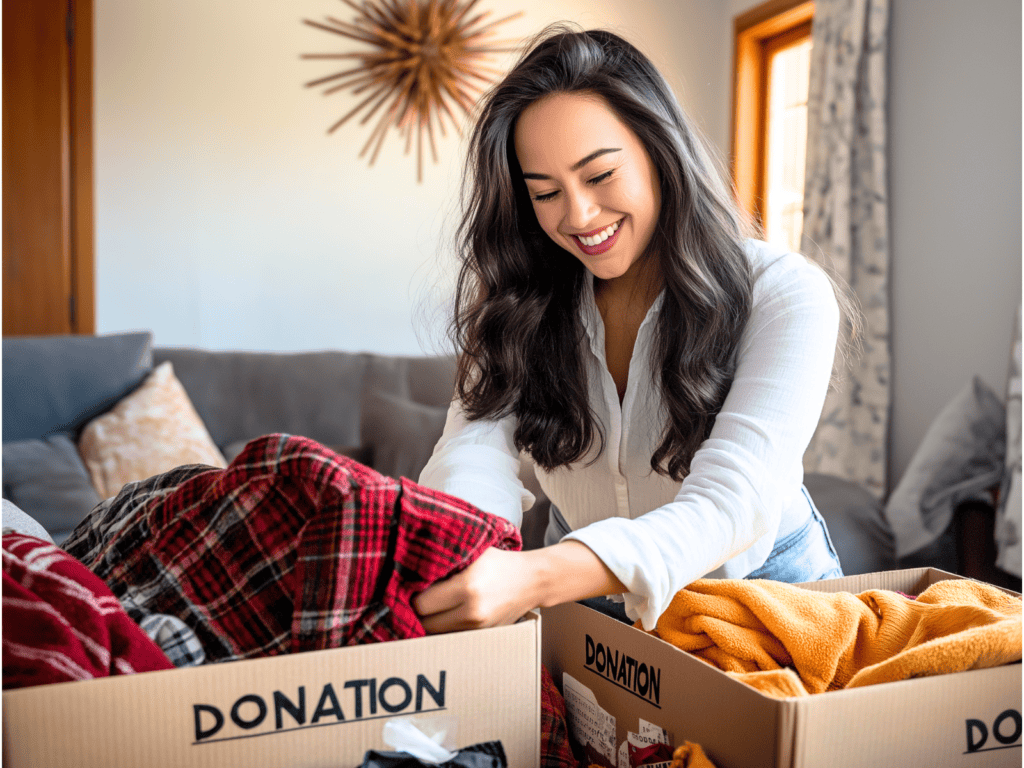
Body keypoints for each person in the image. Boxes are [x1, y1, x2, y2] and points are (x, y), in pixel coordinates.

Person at [412, 26, 853, 634]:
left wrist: (535, 576)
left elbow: (730, 504)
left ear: (659, 151)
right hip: (582, 598)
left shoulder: (783, 293)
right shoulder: (520, 303)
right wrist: (469, 553)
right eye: (545, 193)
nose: (578, 217)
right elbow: (471, 451)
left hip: (760, 597)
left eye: (599, 177)